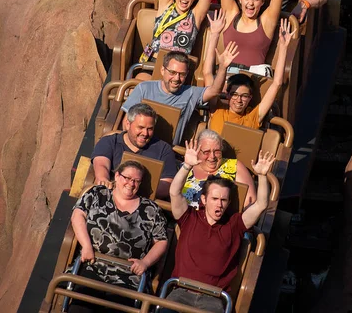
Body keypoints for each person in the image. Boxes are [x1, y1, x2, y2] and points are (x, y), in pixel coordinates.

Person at [165, 141, 275, 312]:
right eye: (215, 199)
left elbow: (261, 205)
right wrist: (187, 165)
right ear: (204, 200)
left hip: (212, 298)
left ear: (229, 202)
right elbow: (174, 192)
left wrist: (261, 175)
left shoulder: (234, 225)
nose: (219, 205)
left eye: (223, 200)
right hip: (181, 291)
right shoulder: (189, 218)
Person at [69, 161, 168, 312]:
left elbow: (161, 241)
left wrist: (145, 263)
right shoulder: (97, 193)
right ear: (116, 176)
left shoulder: (151, 210)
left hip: (128, 277)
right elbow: (77, 215)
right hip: (93, 265)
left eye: (136, 181)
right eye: (127, 178)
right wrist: (86, 246)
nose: (131, 183)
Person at [122, 51, 237, 145]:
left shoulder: (190, 93)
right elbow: (126, 121)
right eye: (172, 72)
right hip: (136, 144)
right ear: (163, 70)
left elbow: (214, 91)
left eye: (182, 74)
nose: (177, 78)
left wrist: (222, 67)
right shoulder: (144, 88)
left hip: (167, 150)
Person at [203, 16, 295, 133]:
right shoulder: (217, 109)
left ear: (250, 97)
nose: (239, 100)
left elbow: (276, 84)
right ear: (227, 95)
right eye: (234, 94)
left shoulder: (253, 117)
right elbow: (207, 73)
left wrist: (283, 47)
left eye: (244, 96)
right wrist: (215, 34)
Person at [91, 103, 177, 199]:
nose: (145, 133)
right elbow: (101, 164)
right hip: (110, 197)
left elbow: (168, 185)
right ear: (128, 124)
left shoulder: (164, 149)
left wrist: (132, 188)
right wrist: (103, 179)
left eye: (150, 129)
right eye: (140, 127)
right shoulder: (109, 142)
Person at [180, 129, 256, 208]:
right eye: (207, 152)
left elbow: (251, 201)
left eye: (217, 151)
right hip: (184, 216)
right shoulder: (187, 167)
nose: (212, 156)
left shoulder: (235, 166)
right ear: (198, 151)